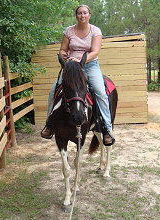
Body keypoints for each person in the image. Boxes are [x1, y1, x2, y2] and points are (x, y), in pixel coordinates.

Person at [41, 4, 115, 145]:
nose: (82, 15)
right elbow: (63, 49)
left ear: (89, 15)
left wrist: (81, 59)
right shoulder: (69, 31)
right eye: (80, 13)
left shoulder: (95, 31)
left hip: (90, 65)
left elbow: (95, 52)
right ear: (76, 15)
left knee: (100, 92)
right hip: (72, 67)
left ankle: (106, 129)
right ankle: (49, 125)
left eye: (85, 13)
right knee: (53, 92)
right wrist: (63, 55)